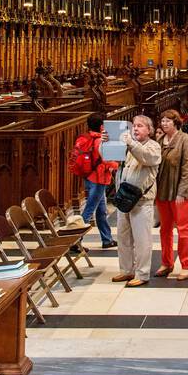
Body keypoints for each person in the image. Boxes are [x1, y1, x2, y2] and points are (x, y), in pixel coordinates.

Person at [112, 114, 160, 287]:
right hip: (124, 199)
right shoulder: (128, 146)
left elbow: (145, 158)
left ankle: (142, 273)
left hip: (141, 201)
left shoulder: (153, 147)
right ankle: (126, 270)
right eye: (134, 126)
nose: (136, 129)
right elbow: (109, 158)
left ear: (149, 130)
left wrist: (131, 143)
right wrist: (106, 142)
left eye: (140, 126)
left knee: (142, 240)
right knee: (123, 238)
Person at [154, 110, 188, 280]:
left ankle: (187, 264)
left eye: (168, 121)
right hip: (162, 191)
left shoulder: (185, 140)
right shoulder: (159, 140)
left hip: (179, 192)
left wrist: (182, 191)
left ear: (176, 123)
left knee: (183, 229)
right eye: (162, 121)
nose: (164, 124)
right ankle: (166, 262)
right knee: (164, 229)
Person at [74, 114, 118, 248]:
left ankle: (107, 239)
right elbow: (107, 160)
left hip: (88, 177)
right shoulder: (100, 141)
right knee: (88, 211)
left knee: (101, 210)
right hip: (99, 179)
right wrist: (117, 165)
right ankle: (75, 241)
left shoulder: (85, 138)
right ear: (102, 126)